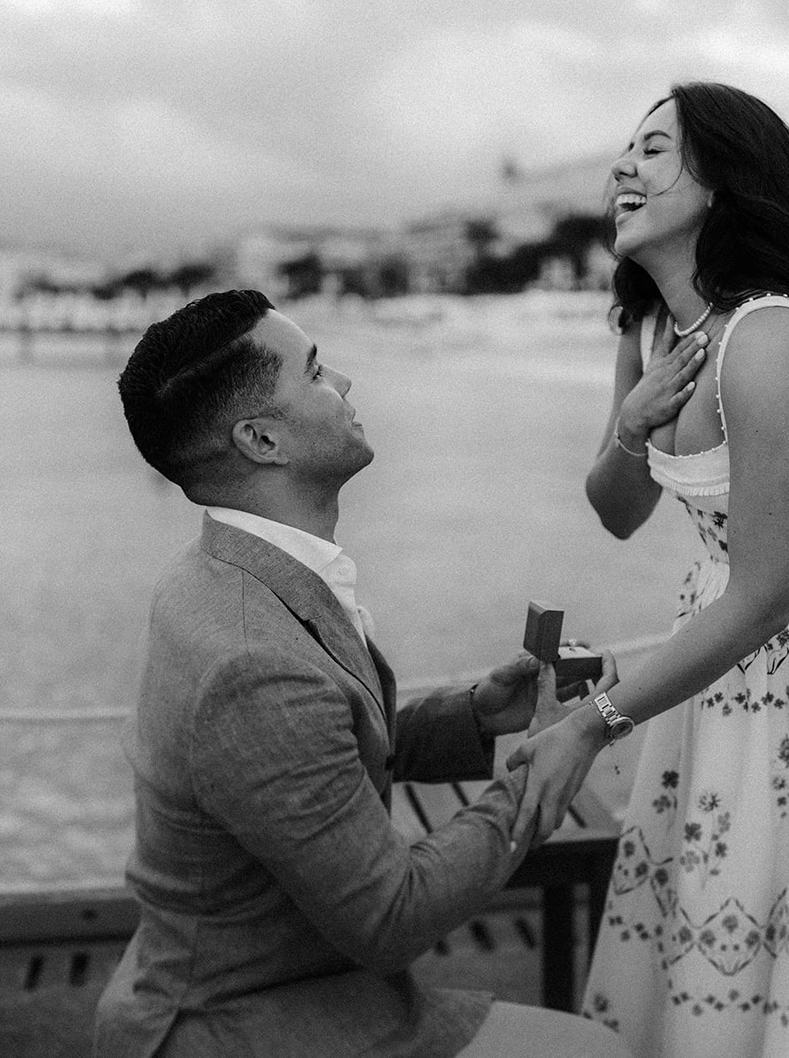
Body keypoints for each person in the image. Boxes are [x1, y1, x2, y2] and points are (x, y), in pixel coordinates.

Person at [507, 82, 789, 1057]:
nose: (623, 168)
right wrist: (630, 429)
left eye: (655, 150)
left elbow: (769, 594)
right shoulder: (645, 330)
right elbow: (617, 510)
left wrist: (589, 726)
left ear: (722, 184)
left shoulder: (772, 339)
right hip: (724, 634)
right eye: (624, 150)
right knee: (717, 887)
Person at [94, 289, 633, 1058]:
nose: (345, 381)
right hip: (235, 1018)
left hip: (285, 980)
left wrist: (477, 717)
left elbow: (317, 748)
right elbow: (393, 917)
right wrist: (547, 765)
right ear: (261, 439)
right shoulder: (250, 659)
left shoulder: (227, 569)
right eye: (315, 372)